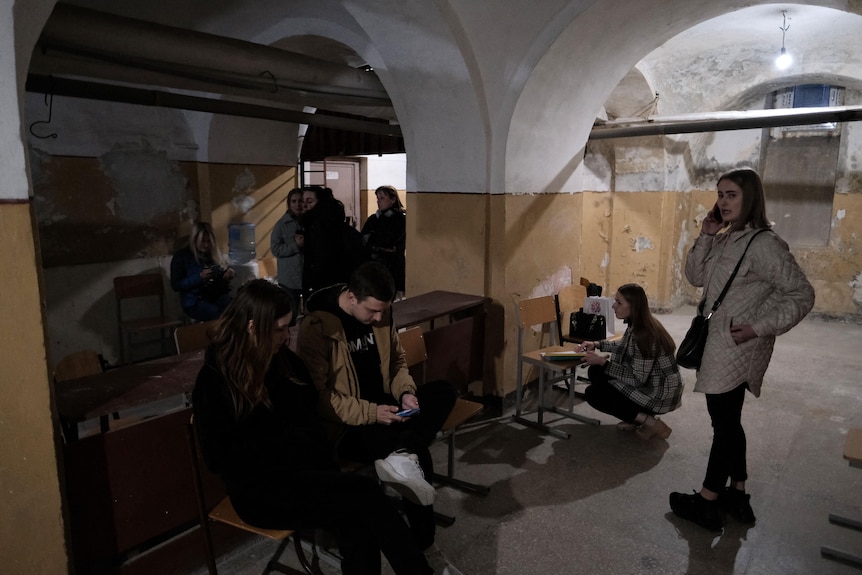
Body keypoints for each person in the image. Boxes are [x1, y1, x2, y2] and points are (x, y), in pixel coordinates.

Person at [191, 280, 435, 575]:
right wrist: (290, 444)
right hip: (260, 490)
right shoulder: (214, 380)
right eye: (279, 329)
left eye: (287, 327)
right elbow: (220, 458)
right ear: (253, 327)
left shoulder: (282, 361)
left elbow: (308, 412)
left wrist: (303, 443)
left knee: (358, 522)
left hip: (305, 470)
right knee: (366, 495)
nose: (286, 336)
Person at [669, 167, 814, 531]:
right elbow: (696, 277)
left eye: (731, 194)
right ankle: (738, 492)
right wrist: (705, 235)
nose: (723, 201)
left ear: (750, 197)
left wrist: (758, 327)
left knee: (724, 424)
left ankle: (707, 501)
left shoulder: (764, 243)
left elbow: (802, 294)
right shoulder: (726, 237)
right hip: (719, 340)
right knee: (729, 421)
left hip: (735, 344)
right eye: (720, 194)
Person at [298, 261, 461, 573]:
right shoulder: (319, 327)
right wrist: (371, 413)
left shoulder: (382, 313)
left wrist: (405, 393)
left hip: (389, 408)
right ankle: (425, 546)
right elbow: (320, 399)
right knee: (421, 457)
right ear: (351, 297)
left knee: (444, 390)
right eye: (372, 311)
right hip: (350, 424)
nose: (378, 318)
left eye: (383, 311)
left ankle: (403, 453)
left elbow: (398, 362)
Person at [577, 283, 683, 439]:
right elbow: (623, 345)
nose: (613, 306)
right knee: (596, 372)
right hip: (652, 385)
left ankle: (651, 423)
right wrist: (596, 344)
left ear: (634, 307)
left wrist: (603, 362)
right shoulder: (638, 323)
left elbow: (637, 380)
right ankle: (634, 418)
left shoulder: (644, 335)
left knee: (594, 394)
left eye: (619, 303)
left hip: (658, 395)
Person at [301, 186, 367, 295]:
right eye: (303, 201)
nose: (304, 206)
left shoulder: (319, 227)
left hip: (327, 286)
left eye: (310, 201)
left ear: (321, 203)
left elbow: (321, 261)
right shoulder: (320, 225)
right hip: (341, 284)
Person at [170, 221, 235, 321]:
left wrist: (227, 273)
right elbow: (176, 285)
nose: (206, 245)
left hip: (213, 296)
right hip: (194, 301)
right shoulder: (181, 257)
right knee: (215, 313)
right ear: (194, 240)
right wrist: (199, 277)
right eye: (203, 241)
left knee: (235, 309)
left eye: (209, 241)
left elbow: (217, 274)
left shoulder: (210, 255)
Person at [361, 185, 407, 298]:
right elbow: (362, 238)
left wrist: (372, 239)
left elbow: (389, 240)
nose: (378, 201)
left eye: (382, 198)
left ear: (393, 199)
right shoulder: (373, 218)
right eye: (377, 198)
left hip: (393, 266)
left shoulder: (400, 219)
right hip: (373, 265)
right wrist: (376, 243)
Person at [270, 187, 305, 303]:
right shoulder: (281, 225)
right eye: (293, 201)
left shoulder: (310, 223)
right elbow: (275, 249)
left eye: (300, 201)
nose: (297, 204)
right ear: (289, 204)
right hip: (289, 279)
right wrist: (296, 245)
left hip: (307, 276)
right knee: (290, 311)